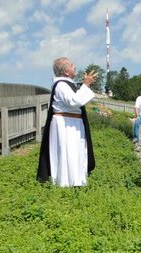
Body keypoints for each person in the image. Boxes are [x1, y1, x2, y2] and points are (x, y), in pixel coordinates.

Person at [37, 57, 98, 187]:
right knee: (67, 152)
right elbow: (74, 101)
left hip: (73, 123)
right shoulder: (61, 85)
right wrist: (85, 85)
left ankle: (77, 180)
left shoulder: (67, 84)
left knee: (76, 152)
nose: (74, 66)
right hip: (65, 124)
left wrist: (85, 85)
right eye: (71, 64)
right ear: (66, 71)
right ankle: (64, 182)